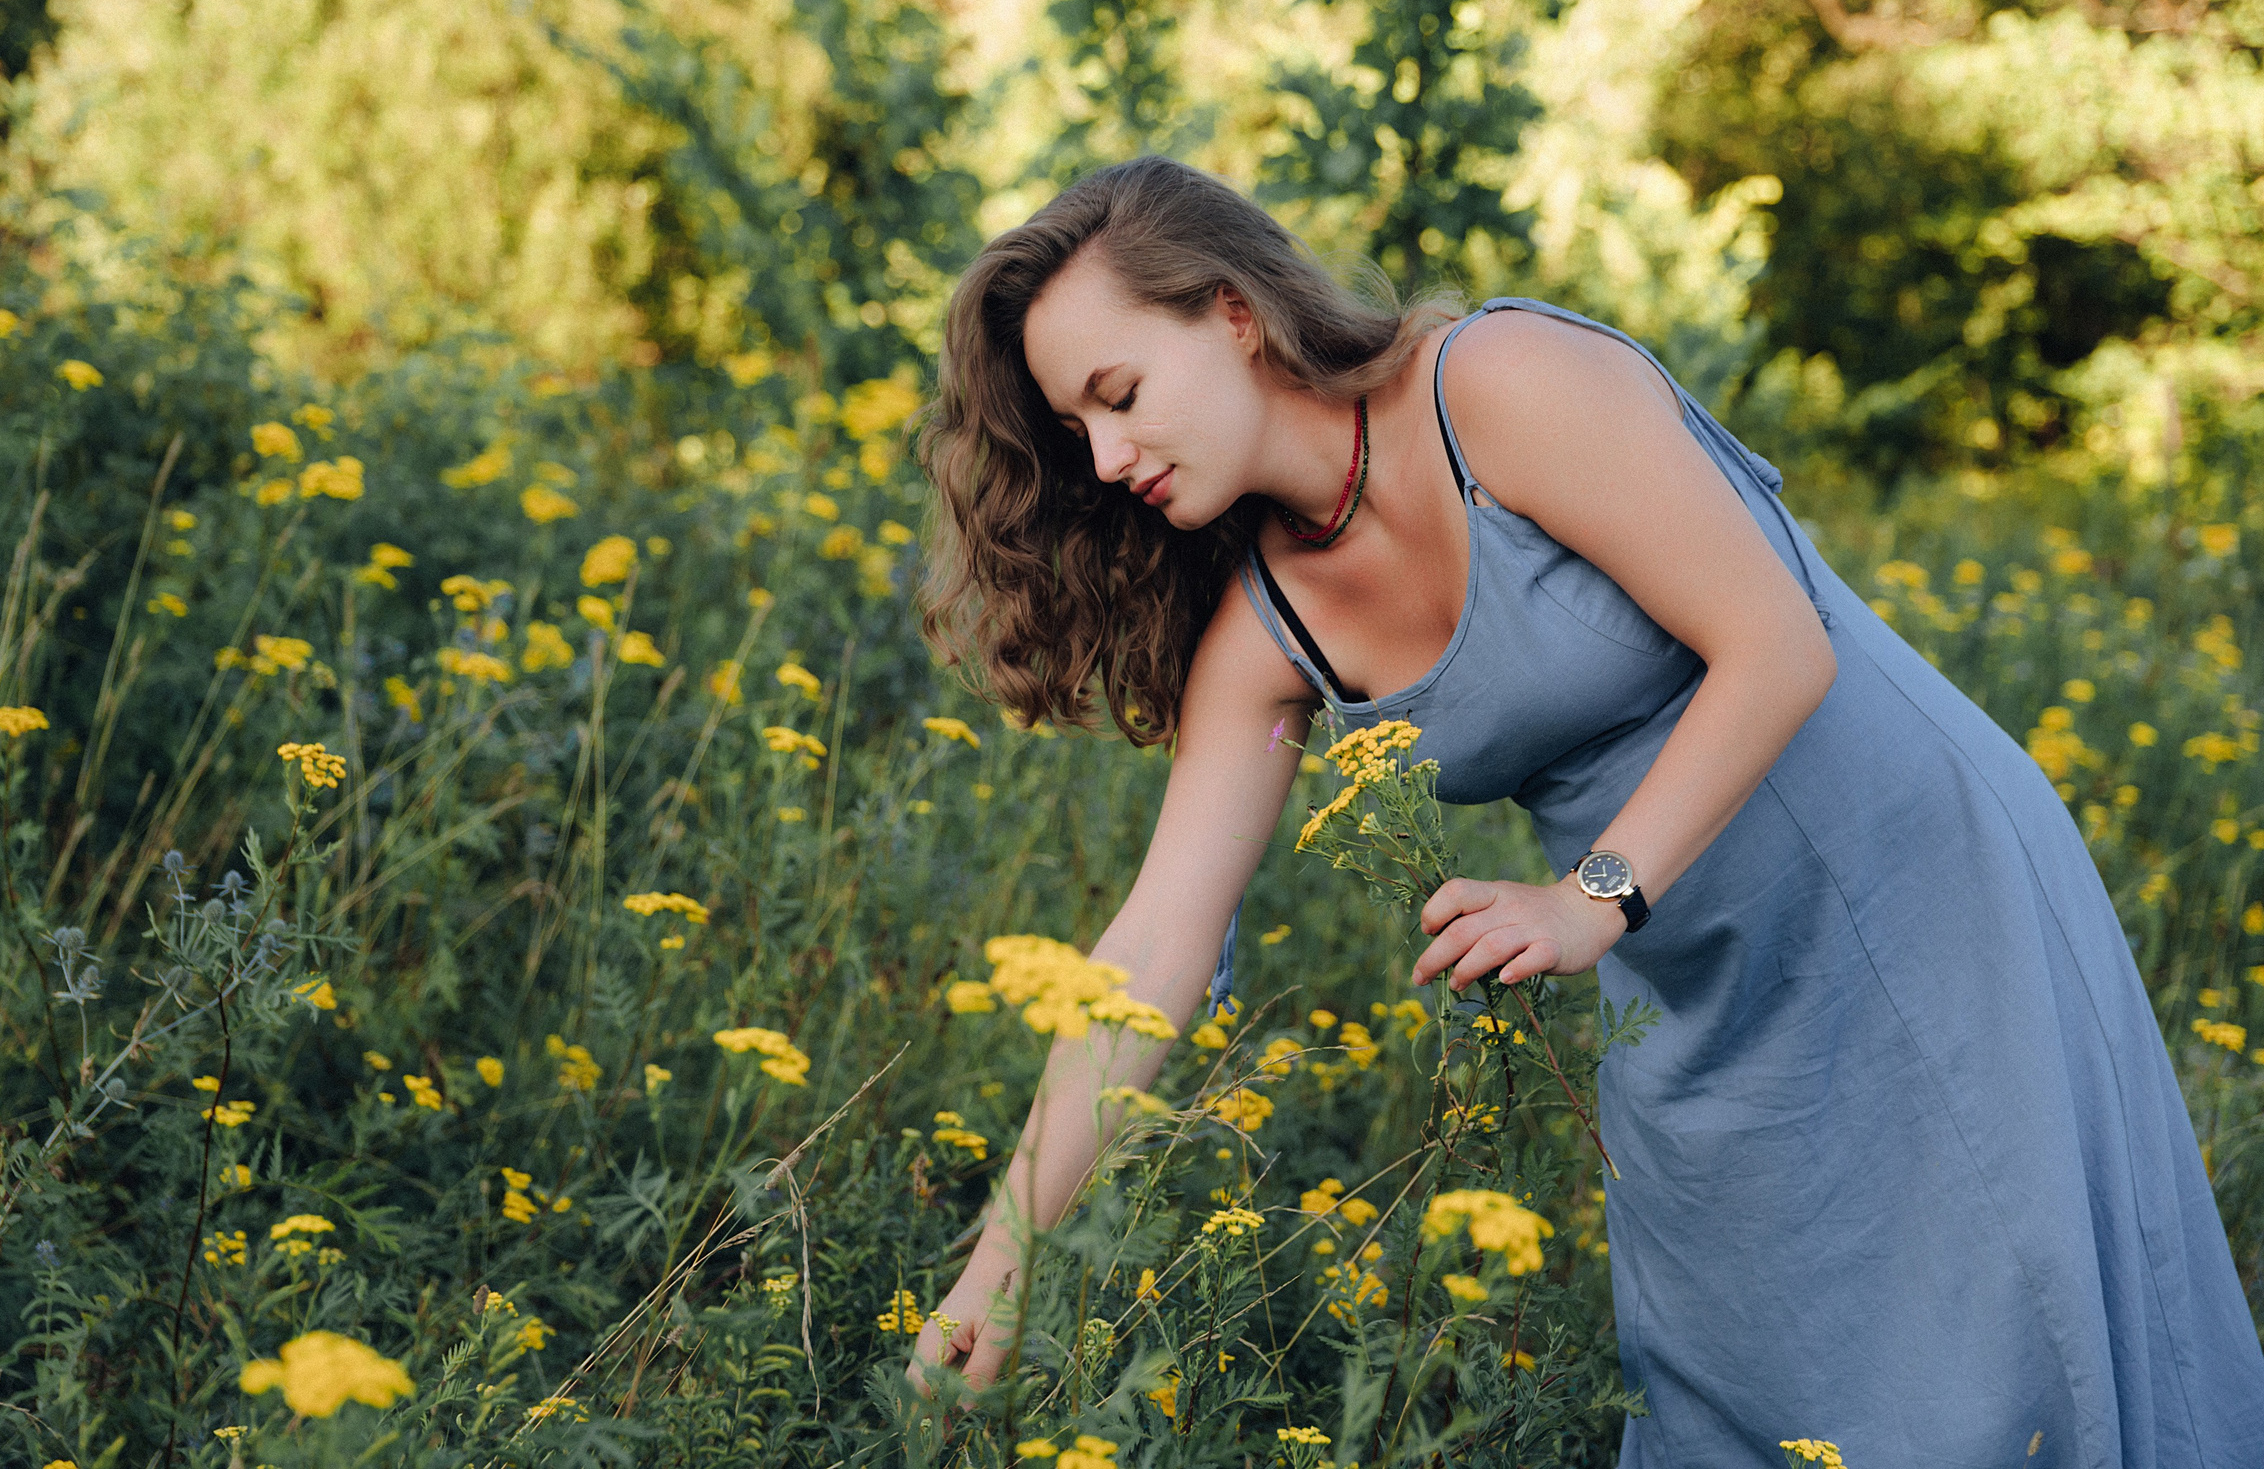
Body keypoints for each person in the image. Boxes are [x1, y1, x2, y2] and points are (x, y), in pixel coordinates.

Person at [904, 156, 2264, 1465]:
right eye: (1076, 430)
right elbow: (1156, 946)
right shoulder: (1271, 629)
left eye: (1120, 392)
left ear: (1236, 314)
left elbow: (1776, 645)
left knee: (2004, 1361)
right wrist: (1001, 1266)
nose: (1105, 450)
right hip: (1688, 974)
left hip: (1915, 884)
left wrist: (1589, 897)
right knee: (1743, 1382)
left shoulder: (1495, 385)